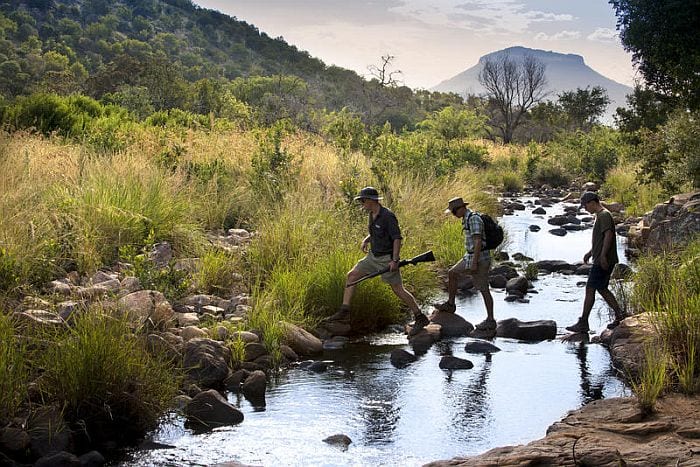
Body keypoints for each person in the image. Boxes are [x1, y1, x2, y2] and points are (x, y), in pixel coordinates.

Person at [326, 186, 430, 336]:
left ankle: (420, 317)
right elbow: (375, 232)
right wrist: (366, 240)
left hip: (387, 259)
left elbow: (397, 238)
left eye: (363, 201)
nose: (362, 204)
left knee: (398, 290)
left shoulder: (388, 216)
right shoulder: (371, 214)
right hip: (372, 257)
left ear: (371, 200)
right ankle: (345, 311)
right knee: (352, 276)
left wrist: (395, 260)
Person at [566, 191, 625, 333]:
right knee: (602, 288)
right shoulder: (600, 215)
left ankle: (583, 322)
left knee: (590, 288)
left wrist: (603, 256)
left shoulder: (604, 215)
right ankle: (620, 315)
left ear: (592, 202)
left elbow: (608, 235)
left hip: (603, 260)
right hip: (601, 258)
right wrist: (590, 252)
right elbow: (600, 239)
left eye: (585, 206)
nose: (585, 209)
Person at [435, 197, 496, 331]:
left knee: (484, 289)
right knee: (452, 273)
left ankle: (490, 320)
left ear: (461, 208)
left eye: (453, 211)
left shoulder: (473, 219)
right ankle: (451, 304)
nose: (453, 214)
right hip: (470, 256)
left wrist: (474, 263)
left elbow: (478, 242)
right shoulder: (467, 218)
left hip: (480, 258)